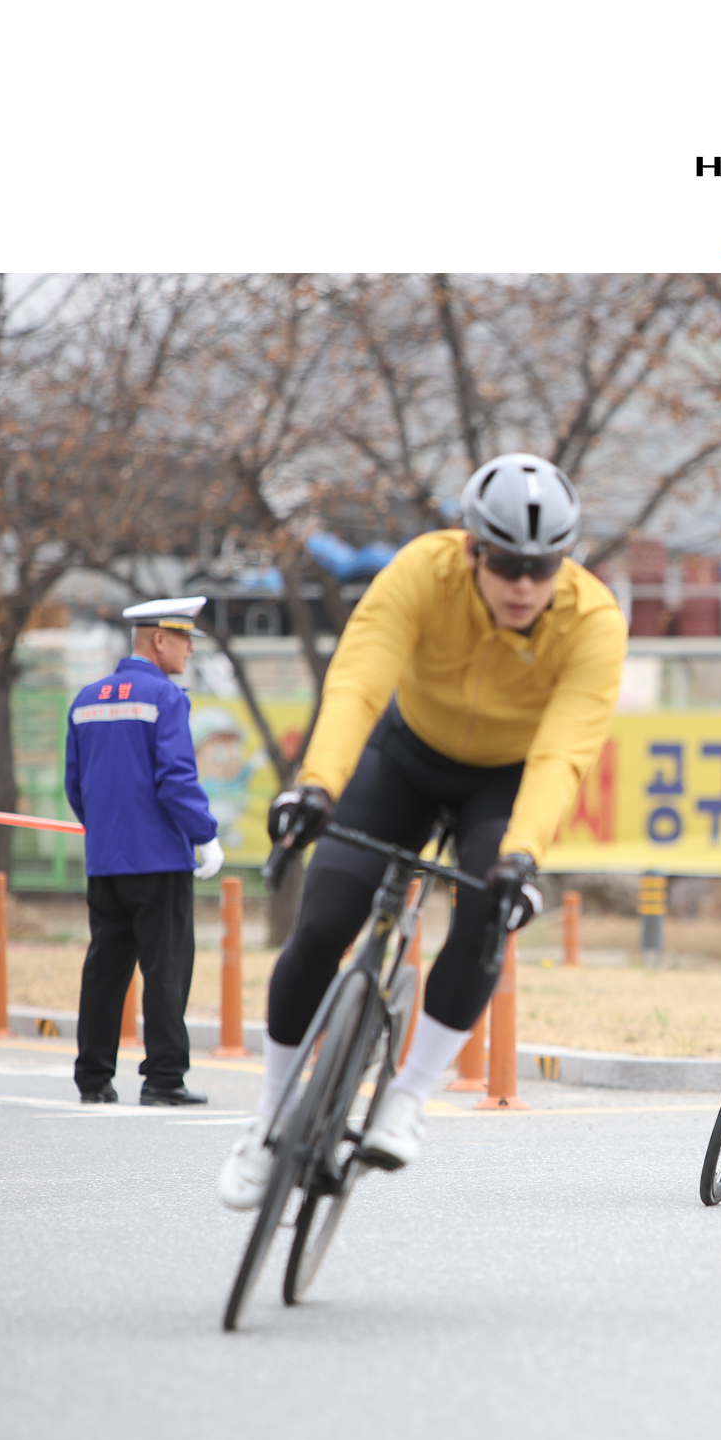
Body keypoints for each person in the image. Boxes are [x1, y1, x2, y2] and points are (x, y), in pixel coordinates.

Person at [218, 452, 625, 1210]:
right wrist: (316, 786)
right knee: (324, 923)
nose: (524, 585)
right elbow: (357, 683)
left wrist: (521, 857)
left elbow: (564, 753)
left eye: (543, 568)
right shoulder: (421, 571)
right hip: (403, 756)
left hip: (503, 781)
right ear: (472, 548)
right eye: (507, 565)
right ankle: (269, 1116)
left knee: (488, 914)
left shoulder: (593, 621)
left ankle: (410, 1095)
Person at [65, 597, 225, 1106]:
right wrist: (204, 835)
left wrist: (106, 831)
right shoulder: (165, 696)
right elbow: (176, 779)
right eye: (184, 639)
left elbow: (76, 787)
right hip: (159, 860)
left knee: (105, 968)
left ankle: (93, 1078)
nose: (189, 651)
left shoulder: (85, 699)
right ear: (159, 639)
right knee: (166, 968)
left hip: (104, 861)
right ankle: (163, 1079)